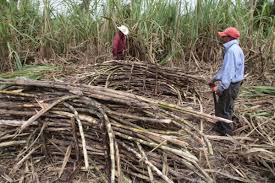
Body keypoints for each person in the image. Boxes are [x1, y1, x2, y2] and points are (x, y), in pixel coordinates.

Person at [209, 27, 245, 136]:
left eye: (224, 36)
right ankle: (220, 127)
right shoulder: (235, 49)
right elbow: (225, 69)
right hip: (234, 84)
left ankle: (226, 133)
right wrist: (214, 79)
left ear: (229, 38)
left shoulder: (232, 51)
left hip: (230, 85)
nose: (222, 37)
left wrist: (220, 88)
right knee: (225, 106)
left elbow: (228, 73)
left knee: (224, 108)